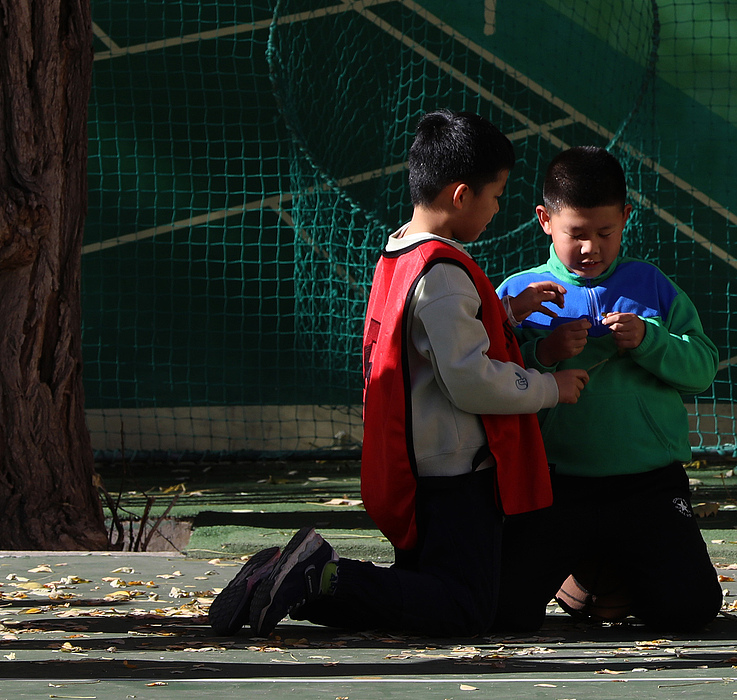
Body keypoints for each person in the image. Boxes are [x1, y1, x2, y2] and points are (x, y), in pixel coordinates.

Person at [209, 111, 585, 639]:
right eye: (496, 195)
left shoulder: (402, 249)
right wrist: (551, 388)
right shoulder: (446, 274)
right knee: (463, 610)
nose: (499, 208)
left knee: (429, 594)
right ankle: (320, 576)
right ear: (460, 195)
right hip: (456, 476)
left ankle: (293, 578)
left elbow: (436, 341)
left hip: (419, 465)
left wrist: (510, 313)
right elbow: (470, 377)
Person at [494, 145, 721, 631]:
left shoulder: (651, 285)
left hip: (648, 485)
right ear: (545, 220)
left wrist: (650, 340)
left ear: (625, 218)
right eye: (576, 233)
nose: (590, 248)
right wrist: (545, 354)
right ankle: (579, 578)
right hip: (552, 484)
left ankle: (611, 572)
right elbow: (487, 380)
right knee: (502, 612)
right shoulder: (517, 294)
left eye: (605, 233)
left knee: (690, 610)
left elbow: (702, 368)